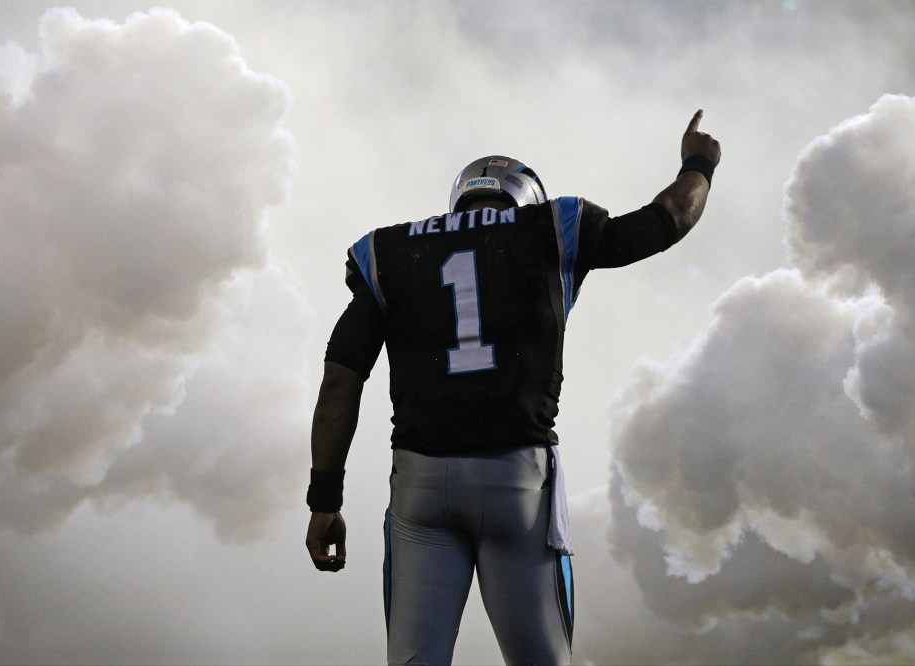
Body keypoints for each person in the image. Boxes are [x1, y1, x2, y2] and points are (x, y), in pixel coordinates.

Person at [305, 110, 721, 664]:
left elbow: (338, 388)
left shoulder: (386, 251)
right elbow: (669, 218)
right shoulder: (553, 227)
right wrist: (700, 162)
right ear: (523, 197)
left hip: (421, 485)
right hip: (517, 481)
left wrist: (324, 501)